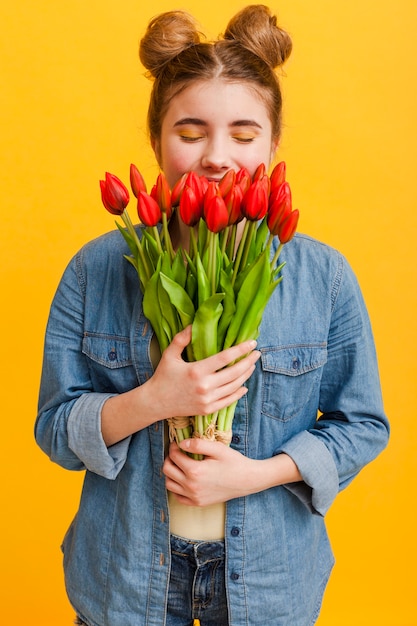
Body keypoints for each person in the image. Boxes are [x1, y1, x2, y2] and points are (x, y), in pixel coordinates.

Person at [35, 5, 389, 626]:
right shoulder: (95, 269)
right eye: (191, 133)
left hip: (270, 583)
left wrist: (252, 476)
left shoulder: (323, 278)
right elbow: (55, 430)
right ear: (157, 139)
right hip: (123, 579)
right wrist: (155, 399)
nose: (217, 158)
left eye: (245, 136)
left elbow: (362, 426)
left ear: (275, 145)